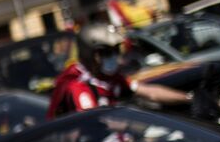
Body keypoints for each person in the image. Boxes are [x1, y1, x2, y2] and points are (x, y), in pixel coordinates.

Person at [48, 22, 190, 118]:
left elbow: (150, 92)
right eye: (106, 52)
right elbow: (99, 122)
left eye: (116, 50)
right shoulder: (77, 86)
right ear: (89, 54)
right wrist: (142, 127)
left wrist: (189, 98)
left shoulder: (107, 78)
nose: (114, 57)